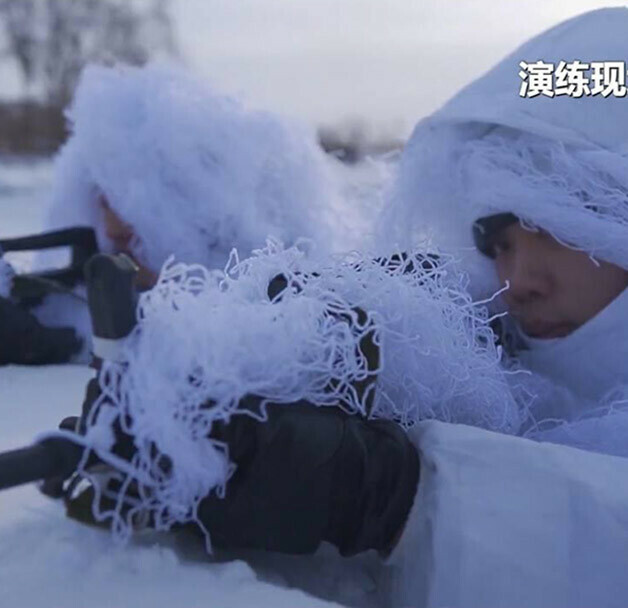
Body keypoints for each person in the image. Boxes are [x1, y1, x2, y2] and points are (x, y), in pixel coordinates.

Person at [62, 9, 628, 608]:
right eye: (500, 244)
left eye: (551, 222)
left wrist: (395, 499)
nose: (517, 282)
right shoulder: (509, 348)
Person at [0, 64, 341, 370]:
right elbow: (65, 319)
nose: (113, 228)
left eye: (143, 206)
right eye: (103, 202)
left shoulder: (287, 314)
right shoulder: (96, 272)